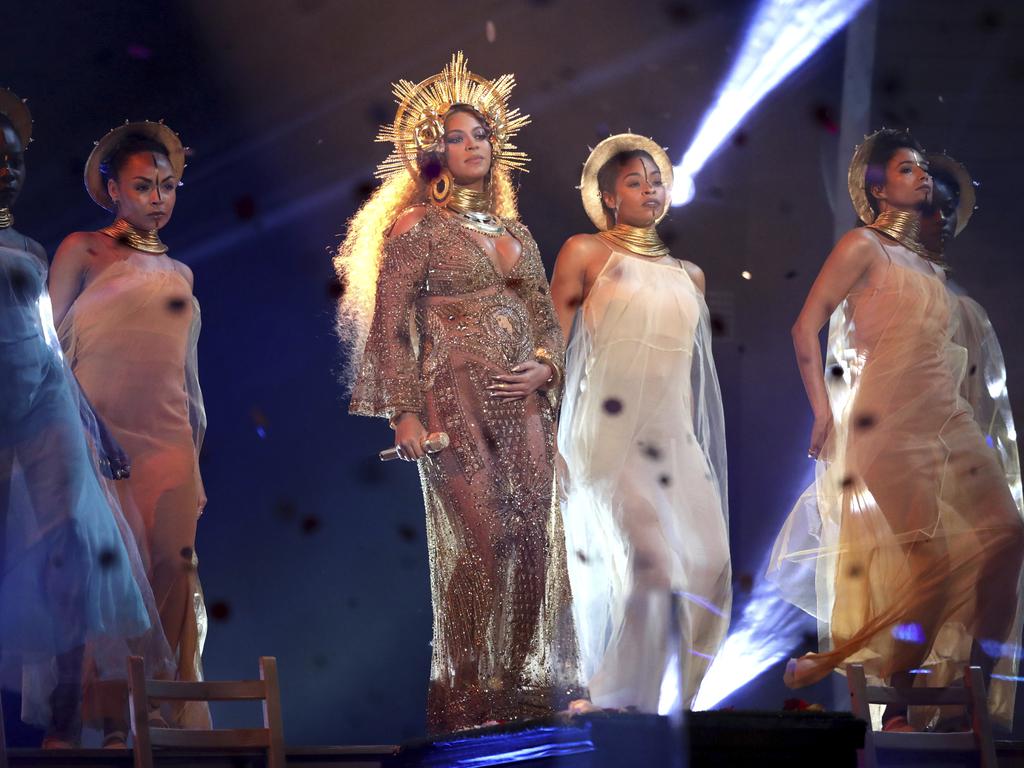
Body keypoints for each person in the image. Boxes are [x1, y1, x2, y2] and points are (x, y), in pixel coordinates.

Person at [335, 52, 583, 733]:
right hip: (457, 405)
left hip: (524, 406)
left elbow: (546, 324)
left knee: (533, 536)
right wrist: (405, 413)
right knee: (487, 540)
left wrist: (544, 365)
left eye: (480, 135)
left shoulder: (518, 234)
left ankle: (522, 687)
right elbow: (388, 329)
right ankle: (468, 690)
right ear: (433, 152)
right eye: (456, 136)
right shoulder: (418, 230)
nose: (471, 145)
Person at [769, 129, 1024, 731]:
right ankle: (901, 701)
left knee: (1006, 536)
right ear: (878, 189)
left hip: (949, 421)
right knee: (930, 568)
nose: (922, 177)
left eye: (924, 172)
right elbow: (805, 327)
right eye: (907, 170)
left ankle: (976, 690)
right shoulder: (863, 246)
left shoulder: (935, 277)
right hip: (888, 424)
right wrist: (822, 409)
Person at [0, 89, 159, 747]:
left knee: (67, 548)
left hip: (44, 402)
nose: (7, 170)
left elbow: (49, 347)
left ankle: (63, 725)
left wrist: (89, 421)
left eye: (13, 160)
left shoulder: (29, 250)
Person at [549, 133, 730, 712]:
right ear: (608, 197)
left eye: (657, 180)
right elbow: (548, 347)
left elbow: (693, 373)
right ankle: (613, 697)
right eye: (635, 181)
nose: (650, 189)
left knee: (708, 568)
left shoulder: (690, 275)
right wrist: (542, 431)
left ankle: (664, 698)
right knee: (651, 568)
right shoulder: (585, 252)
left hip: (673, 441)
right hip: (609, 439)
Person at [49, 121, 210, 738]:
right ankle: (114, 720)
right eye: (144, 186)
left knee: (174, 568)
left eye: (169, 186)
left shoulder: (181, 274)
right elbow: (46, 352)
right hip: (98, 439)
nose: (158, 198)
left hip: (167, 442)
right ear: (112, 188)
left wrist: (195, 459)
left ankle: (164, 715)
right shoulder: (82, 251)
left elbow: (188, 379)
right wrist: (71, 437)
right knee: (112, 577)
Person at [920, 153, 1021, 512]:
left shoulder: (965, 306)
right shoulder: (886, 282)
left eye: (950, 209)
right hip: (903, 440)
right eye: (932, 207)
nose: (943, 218)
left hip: (955, 442)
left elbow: (978, 393)